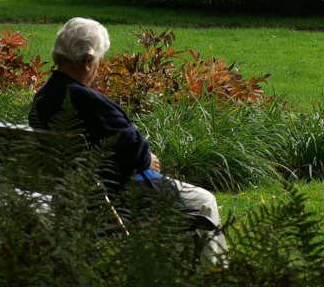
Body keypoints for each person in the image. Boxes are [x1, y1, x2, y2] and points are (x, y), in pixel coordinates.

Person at [28, 17, 227, 265]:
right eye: (99, 60)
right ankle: (214, 275)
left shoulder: (43, 96)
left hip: (70, 197)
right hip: (113, 200)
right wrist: (147, 158)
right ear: (88, 60)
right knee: (204, 202)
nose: (99, 66)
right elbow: (130, 149)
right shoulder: (85, 99)